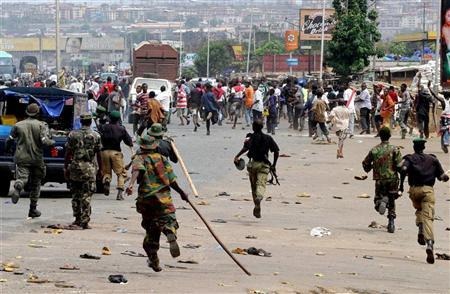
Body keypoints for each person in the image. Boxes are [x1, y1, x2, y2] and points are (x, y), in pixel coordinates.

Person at [126, 134, 189, 272]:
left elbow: (137, 170)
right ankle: (169, 231)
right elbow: (171, 179)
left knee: (151, 229)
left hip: (147, 198)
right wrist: (181, 192)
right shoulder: (162, 159)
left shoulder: (139, 157)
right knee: (169, 219)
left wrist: (131, 184)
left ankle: (154, 259)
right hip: (163, 197)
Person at [399, 138, 449, 264]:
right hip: (428, 191)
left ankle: (420, 227)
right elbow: (441, 176)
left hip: (414, 191)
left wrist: (400, 186)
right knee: (428, 217)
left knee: (419, 209)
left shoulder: (409, 159)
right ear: (424, 147)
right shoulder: (433, 159)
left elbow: (402, 169)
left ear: (414, 147)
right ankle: (430, 244)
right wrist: (446, 177)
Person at [5, 103, 55, 217]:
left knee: (23, 178)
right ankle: (33, 209)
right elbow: (45, 141)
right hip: (37, 158)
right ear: (38, 113)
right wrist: (53, 143)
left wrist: (8, 151)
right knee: (36, 183)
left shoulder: (18, 125)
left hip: (21, 157)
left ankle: (19, 184)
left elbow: (9, 140)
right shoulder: (41, 125)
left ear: (26, 112)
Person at [234, 120, 279, 218]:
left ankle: (256, 203)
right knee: (261, 184)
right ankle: (259, 198)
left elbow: (245, 148)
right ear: (262, 127)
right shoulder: (268, 138)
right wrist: (274, 165)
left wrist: (237, 156)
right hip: (264, 165)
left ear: (253, 127)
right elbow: (276, 151)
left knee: (253, 186)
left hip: (253, 165)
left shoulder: (250, 137)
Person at [64, 114, 102, 229]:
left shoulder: (73, 134)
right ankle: (85, 221)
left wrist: (66, 166)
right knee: (87, 195)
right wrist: (101, 169)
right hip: (89, 168)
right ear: (90, 122)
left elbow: (68, 152)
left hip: (75, 167)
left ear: (81, 122)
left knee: (76, 194)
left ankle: (77, 219)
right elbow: (99, 153)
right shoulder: (96, 135)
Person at [362, 127, 402, 233]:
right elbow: (399, 165)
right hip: (393, 178)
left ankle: (381, 202)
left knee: (377, 200)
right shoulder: (395, 149)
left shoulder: (374, 150)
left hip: (380, 179)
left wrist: (371, 167)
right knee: (392, 199)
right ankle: (391, 223)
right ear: (389, 136)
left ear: (380, 136)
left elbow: (365, 164)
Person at [98, 111, 133, 200]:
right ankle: (120, 194)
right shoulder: (121, 129)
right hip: (116, 153)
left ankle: (106, 181)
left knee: (106, 172)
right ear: (118, 119)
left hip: (104, 152)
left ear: (109, 118)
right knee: (121, 173)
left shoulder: (103, 127)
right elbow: (128, 141)